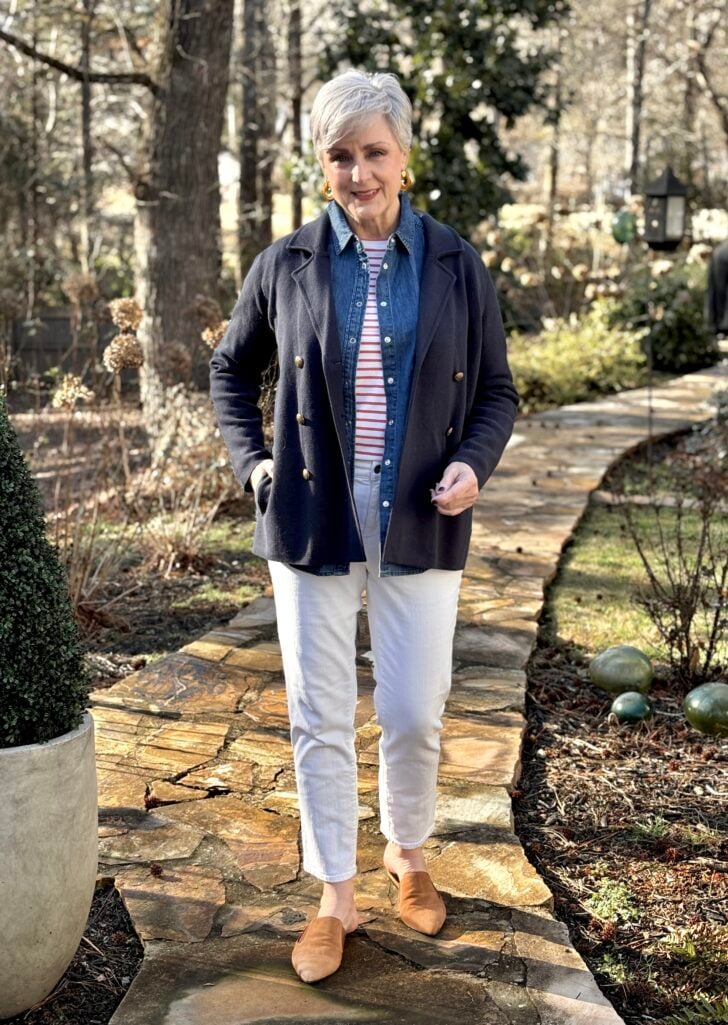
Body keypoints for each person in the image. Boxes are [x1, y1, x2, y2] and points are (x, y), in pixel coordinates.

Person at [209, 68, 519, 983]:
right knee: (318, 712)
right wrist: (254, 466)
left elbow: (496, 389)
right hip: (311, 521)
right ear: (321, 165)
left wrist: (474, 462)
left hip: (421, 516)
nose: (358, 173)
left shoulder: (456, 263)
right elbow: (232, 371)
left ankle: (408, 851)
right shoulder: (286, 264)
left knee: (416, 710)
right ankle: (335, 891)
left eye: (373, 153)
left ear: (405, 158)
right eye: (340, 156)